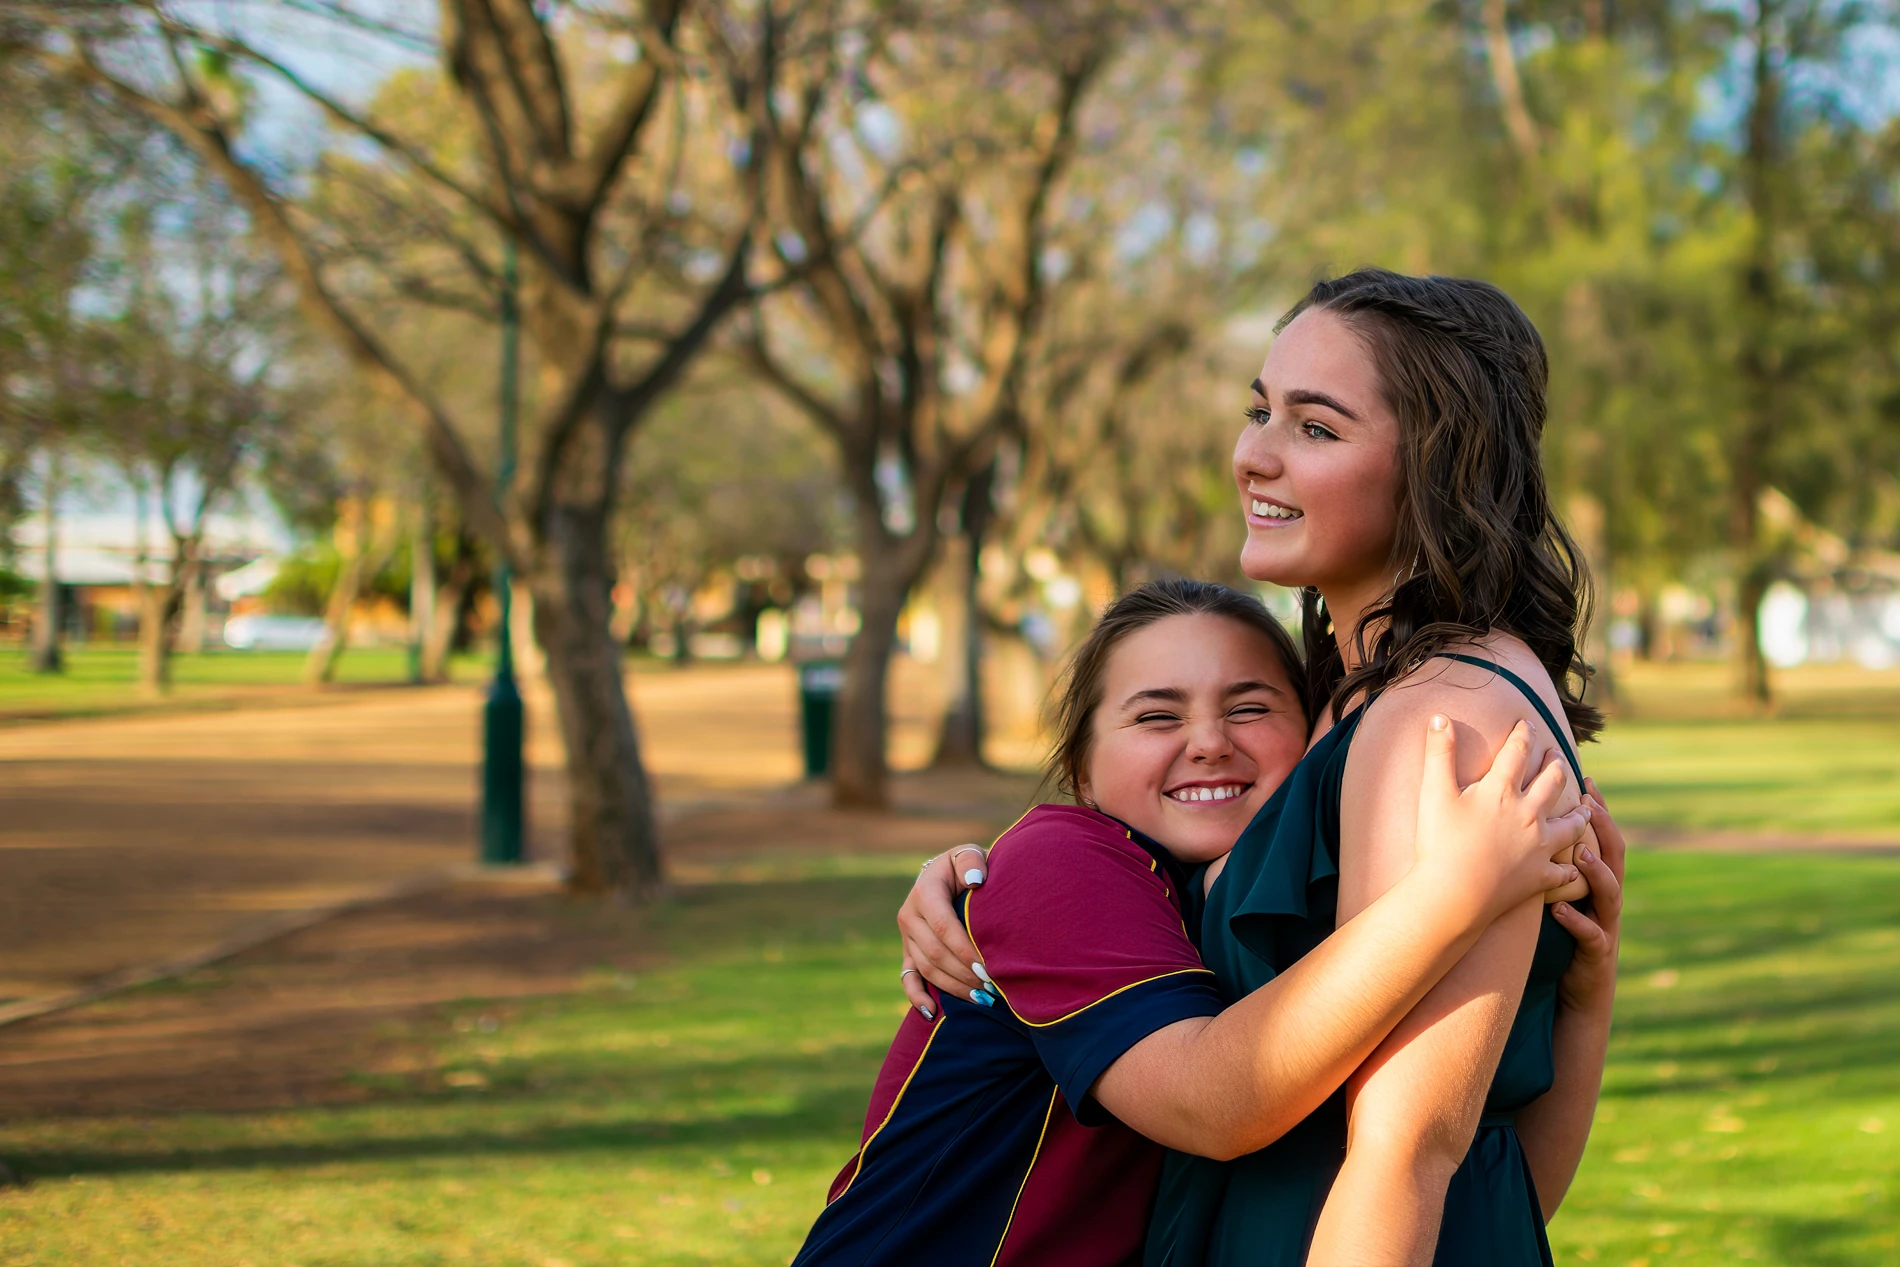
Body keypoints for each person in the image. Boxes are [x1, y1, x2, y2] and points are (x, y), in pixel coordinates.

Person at [903, 269, 1626, 1266]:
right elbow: (1491, 1181)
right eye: (1260, 412)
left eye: (1315, 428)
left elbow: (1416, 1152)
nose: (1253, 456)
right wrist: (999, 879)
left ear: (1434, 467)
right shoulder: (1359, 696)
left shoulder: (1440, 720)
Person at [794, 578, 1595, 1267]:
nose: (1209, 743)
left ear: (1317, 739)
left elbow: (1491, 1170)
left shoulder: (1244, 911)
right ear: (1080, 767)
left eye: (1249, 706)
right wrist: (1457, 891)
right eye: (1155, 717)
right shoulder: (1058, 863)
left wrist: (1587, 985)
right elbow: (1220, 1103)